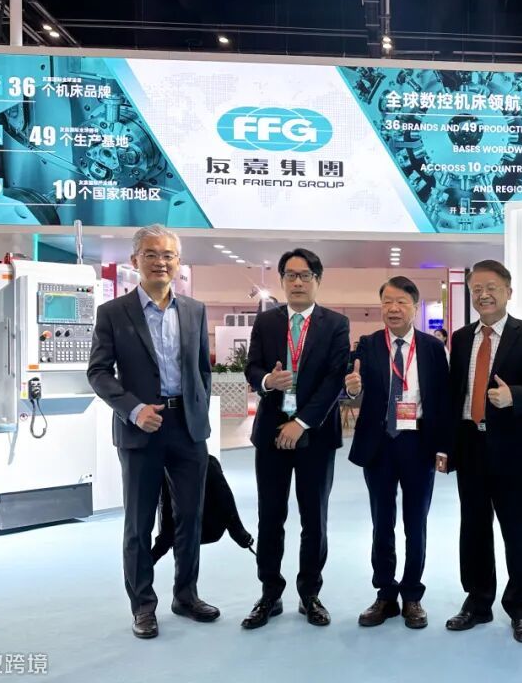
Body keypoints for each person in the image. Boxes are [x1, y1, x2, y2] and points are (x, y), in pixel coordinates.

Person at [88, 224, 217, 639]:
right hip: (141, 428)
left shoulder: (194, 310)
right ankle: (143, 606)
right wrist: (134, 409)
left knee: (190, 517)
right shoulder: (113, 313)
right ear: (135, 261)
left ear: (178, 262)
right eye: (151, 254)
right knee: (139, 523)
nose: (161, 262)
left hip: (187, 429)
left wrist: (196, 410)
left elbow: (202, 370)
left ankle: (186, 595)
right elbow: (98, 372)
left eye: (168, 255)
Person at [444, 260, 522, 644]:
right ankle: (477, 602)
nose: (484, 294)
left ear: (508, 291)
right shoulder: (461, 338)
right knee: (473, 530)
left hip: (514, 449)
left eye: (491, 287)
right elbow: (454, 393)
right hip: (470, 445)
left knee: (517, 532)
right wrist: (446, 447)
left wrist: (515, 396)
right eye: (476, 289)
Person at [241, 249, 350, 630]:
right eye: (290, 275)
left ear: (318, 280)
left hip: (315, 435)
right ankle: (269, 593)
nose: (298, 282)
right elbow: (251, 367)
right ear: (282, 281)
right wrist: (268, 381)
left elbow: (334, 379)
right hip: (271, 432)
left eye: (305, 276)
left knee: (313, 518)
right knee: (270, 516)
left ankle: (310, 594)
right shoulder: (267, 321)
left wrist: (301, 422)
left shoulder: (336, 324)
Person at [344, 276, 450, 630]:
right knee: (382, 521)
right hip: (379, 444)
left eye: (401, 302)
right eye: (387, 301)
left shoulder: (432, 348)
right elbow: (350, 387)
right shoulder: (368, 344)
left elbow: (443, 401)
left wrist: (444, 447)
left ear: (415, 308)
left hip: (418, 443)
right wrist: (351, 389)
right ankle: (385, 594)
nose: (393, 308)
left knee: (415, 522)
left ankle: (412, 595)